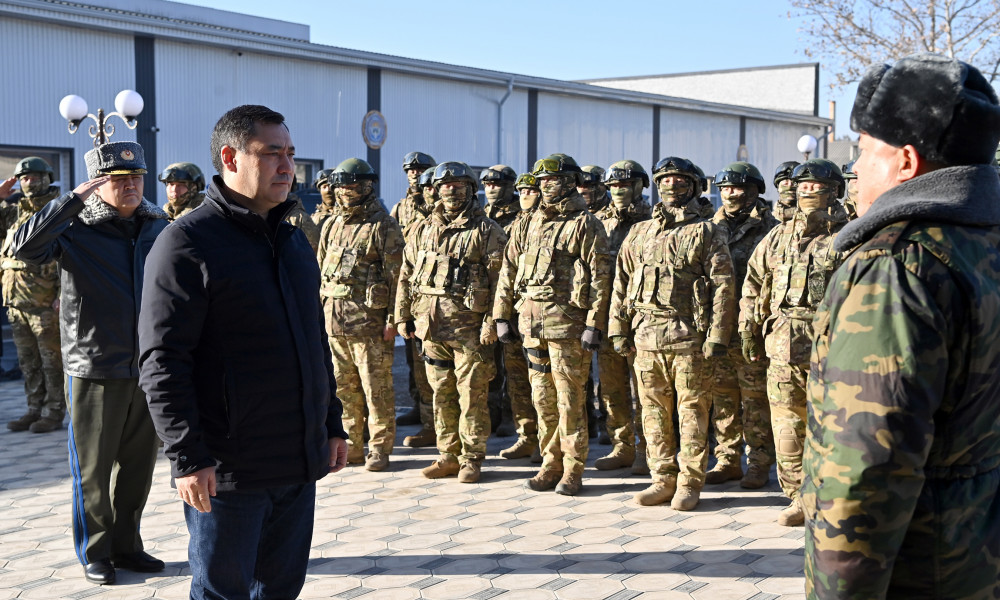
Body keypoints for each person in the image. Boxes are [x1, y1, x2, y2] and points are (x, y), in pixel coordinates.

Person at [803, 53, 1000, 599]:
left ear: (906, 162)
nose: (856, 168)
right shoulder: (984, 245)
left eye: (865, 150)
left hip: (919, 570)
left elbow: (865, 471)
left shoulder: (896, 266)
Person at [138, 105, 348, 600]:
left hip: (297, 460)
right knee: (222, 591)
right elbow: (162, 361)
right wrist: (188, 457)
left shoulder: (293, 240)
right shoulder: (187, 243)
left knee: (280, 588)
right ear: (231, 157)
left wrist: (331, 424)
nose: (286, 167)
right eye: (272, 153)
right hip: (228, 471)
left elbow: (313, 340)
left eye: (290, 154)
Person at [12, 141, 168, 585]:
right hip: (95, 366)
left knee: (139, 468)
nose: (132, 185)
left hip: (148, 366)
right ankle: (95, 551)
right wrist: (71, 200)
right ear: (97, 185)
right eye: (118, 180)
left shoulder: (157, 225)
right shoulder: (76, 227)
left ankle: (127, 545)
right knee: (94, 471)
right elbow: (23, 247)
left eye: (137, 176)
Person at [607, 156, 735, 510]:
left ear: (694, 187)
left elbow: (724, 286)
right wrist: (617, 328)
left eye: (681, 182)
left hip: (689, 337)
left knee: (692, 411)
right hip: (645, 335)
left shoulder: (707, 232)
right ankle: (662, 477)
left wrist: (718, 337)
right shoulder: (639, 232)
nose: (672, 187)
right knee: (651, 411)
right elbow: (621, 284)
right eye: (665, 181)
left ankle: (690, 482)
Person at [493, 153, 611, 496]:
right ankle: (550, 462)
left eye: (554, 179)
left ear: (572, 181)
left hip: (568, 326)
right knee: (542, 399)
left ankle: (573, 470)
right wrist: (502, 314)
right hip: (531, 324)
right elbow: (508, 270)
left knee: (570, 400)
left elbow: (601, 279)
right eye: (542, 180)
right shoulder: (526, 223)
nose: (546, 185)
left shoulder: (585, 224)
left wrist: (594, 324)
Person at [740, 158, 848, 526]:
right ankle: (797, 498)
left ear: (835, 191)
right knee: (787, 428)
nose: (807, 191)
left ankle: (829, 498)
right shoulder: (778, 235)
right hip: (781, 347)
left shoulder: (848, 237)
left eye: (816, 185)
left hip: (830, 352)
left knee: (829, 429)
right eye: (802, 185)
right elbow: (753, 284)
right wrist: (749, 329)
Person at [395, 161, 507, 483]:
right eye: (445, 186)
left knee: (472, 396)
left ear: (471, 189)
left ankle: (471, 458)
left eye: (458, 186)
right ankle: (447, 455)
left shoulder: (487, 231)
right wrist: (402, 315)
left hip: (470, 332)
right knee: (440, 393)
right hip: (431, 328)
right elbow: (406, 275)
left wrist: (492, 323)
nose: (451, 191)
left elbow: (501, 282)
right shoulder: (422, 229)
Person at [317, 158, 403, 471]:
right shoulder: (332, 224)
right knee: (343, 390)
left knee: (376, 390)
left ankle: (379, 448)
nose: (346, 191)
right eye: (342, 186)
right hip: (334, 323)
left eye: (353, 185)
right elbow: (320, 273)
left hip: (370, 325)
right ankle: (352, 446)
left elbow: (398, 278)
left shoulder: (383, 225)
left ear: (366, 186)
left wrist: (394, 319)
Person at [705, 162, 777, 489]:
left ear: (755, 191)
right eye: (725, 189)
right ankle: (727, 459)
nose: (731, 194)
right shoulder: (708, 228)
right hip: (718, 330)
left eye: (738, 188)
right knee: (722, 399)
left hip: (754, 332)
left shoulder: (771, 230)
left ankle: (759, 462)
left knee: (755, 400)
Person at [591, 160, 651, 474]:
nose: (618, 191)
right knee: (611, 388)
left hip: (640, 317)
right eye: (613, 186)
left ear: (640, 186)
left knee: (643, 388)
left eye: (625, 185)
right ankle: (622, 446)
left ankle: (646, 450)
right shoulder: (596, 220)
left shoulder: (654, 220)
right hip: (605, 316)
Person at [0, 157, 64, 433]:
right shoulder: (13, 211)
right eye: (24, 178)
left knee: (51, 363)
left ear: (47, 178)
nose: (29, 182)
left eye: (34, 176)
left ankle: (53, 412)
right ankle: (33, 409)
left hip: (45, 303)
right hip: (16, 303)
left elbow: (67, 255)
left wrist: (62, 293)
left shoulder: (56, 210)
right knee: (28, 362)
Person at [496, 172, 543, 462]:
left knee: (544, 386)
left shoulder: (554, 225)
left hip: (546, 319)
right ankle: (527, 435)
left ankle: (550, 444)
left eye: (532, 190)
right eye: (521, 190)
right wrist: (501, 316)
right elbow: (506, 272)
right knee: (517, 381)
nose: (525, 195)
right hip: (518, 315)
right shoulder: (519, 226)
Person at [392, 151, 437, 445]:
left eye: (421, 169)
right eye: (410, 169)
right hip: (413, 288)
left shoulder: (437, 203)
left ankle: (435, 421)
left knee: (433, 362)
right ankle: (421, 411)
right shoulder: (401, 207)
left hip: (436, 290)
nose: (415, 173)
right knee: (414, 359)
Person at [481, 165, 520, 438]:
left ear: (510, 185)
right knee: (488, 362)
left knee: (513, 364)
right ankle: (491, 414)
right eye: (487, 184)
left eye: (497, 183)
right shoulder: (480, 216)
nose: (492, 188)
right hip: (485, 300)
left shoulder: (522, 215)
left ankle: (511, 416)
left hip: (512, 300)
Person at [311, 167, 336, 232]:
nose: (328, 190)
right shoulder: (315, 218)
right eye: (324, 187)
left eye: (331, 186)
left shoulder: (346, 216)